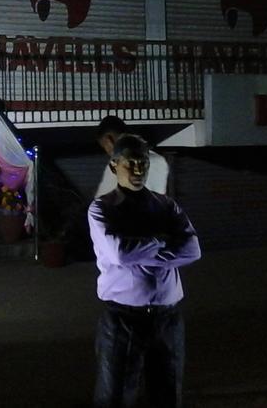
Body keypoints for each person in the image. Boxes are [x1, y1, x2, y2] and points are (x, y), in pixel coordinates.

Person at [89, 134, 201, 408]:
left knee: (167, 393)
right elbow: (119, 252)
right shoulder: (101, 208)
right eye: (131, 164)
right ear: (115, 165)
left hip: (167, 318)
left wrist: (139, 248)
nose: (138, 170)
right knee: (114, 396)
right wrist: (162, 240)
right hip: (123, 319)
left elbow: (192, 250)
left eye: (143, 164)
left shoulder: (166, 205)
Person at [95, 115, 169, 196]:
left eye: (104, 146)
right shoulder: (160, 160)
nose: (107, 152)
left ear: (109, 141)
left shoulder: (118, 164)